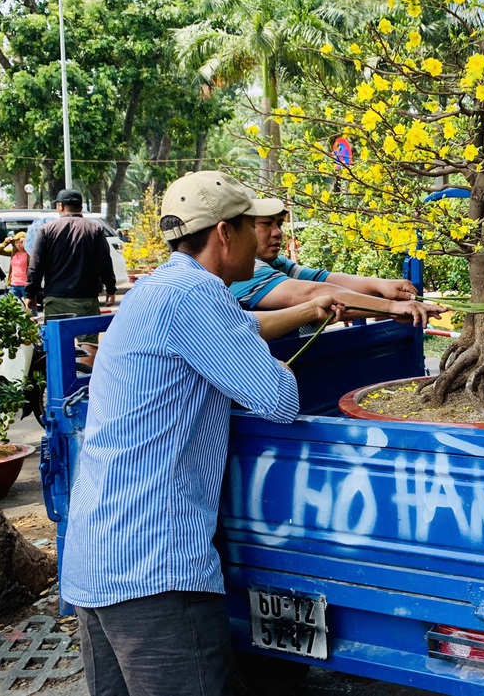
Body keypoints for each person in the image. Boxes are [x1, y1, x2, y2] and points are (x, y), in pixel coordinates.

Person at [60, 171, 338, 696]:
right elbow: (278, 400)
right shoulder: (198, 296)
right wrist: (286, 369)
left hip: (98, 557)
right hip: (156, 570)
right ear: (224, 234)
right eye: (251, 228)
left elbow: (235, 329)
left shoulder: (159, 290)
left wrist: (308, 309)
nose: (261, 242)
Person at [229, 204, 445, 326]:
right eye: (265, 225)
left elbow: (322, 278)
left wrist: (381, 285)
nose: (277, 232)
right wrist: (391, 307)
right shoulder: (245, 270)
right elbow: (314, 292)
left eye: (279, 224)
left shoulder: (275, 263)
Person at [25, 190, 117, 355]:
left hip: (55, 299)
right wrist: (111, 288)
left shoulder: (46, 229)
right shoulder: (95, 229)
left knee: (56, 343)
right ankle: (86, 380)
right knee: (88, 342)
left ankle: (59, 380)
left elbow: (36, 266)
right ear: (81, 207)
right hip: (86, 298)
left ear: (60, 206)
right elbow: (104, 262)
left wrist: (30, 294)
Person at [0, 231, 30, 300]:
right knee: (10, 305)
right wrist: (6, 242)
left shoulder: (29, 254)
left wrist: (27, 243)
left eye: (21, 242)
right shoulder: (14, 253)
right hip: (14, 284)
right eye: (16, 242)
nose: (18, 245)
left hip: (26, 285)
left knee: (30, 308)